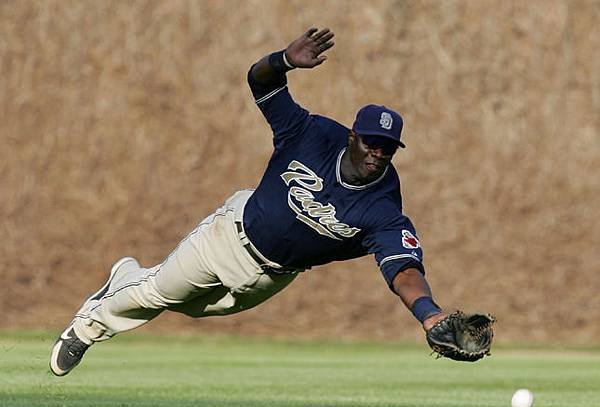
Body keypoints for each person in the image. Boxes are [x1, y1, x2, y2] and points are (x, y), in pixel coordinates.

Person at [50, 27, 448, 377]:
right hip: (229, 237)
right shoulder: (310, 135)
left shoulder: (383, 208)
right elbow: (261, 84)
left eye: (388, 147)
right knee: (158, 294)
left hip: (272, 277)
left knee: (188, 308)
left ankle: (125, 276)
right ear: (352, 136)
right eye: (371, 141)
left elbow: (404, 271)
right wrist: (282, 62)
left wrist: (429, 315)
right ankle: (86, 328)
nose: (378, 152)